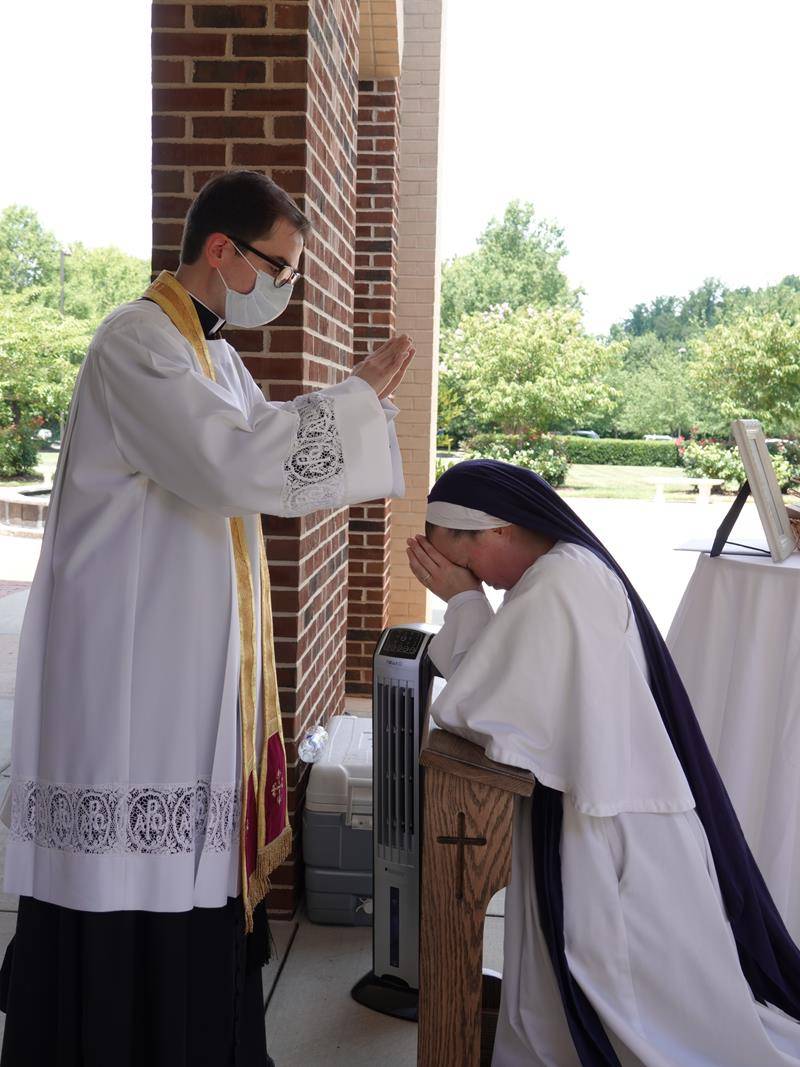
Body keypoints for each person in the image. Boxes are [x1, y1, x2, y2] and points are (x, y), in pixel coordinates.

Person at [0, 169, 414, 1067]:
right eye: (279, 267)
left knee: (190, 866)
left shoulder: (214, 355)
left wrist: (348, 406)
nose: (285, 289)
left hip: (181, 662)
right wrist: (353, 399)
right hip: (128, 666)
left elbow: (262, 446)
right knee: (126, 870)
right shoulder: (136, 342)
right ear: (221, 251)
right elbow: (231, 463)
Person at [407, 458, 800, 1067]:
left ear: (499, 531)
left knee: (633, 993)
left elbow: (480, 708)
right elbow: (510, 683)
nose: (468, 577)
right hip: (602, 809)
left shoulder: (558, 585)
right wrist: (466, 600)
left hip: (610, 828)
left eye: (462, 561)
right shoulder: (561, 571)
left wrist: (463, 602)